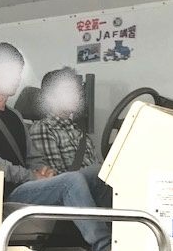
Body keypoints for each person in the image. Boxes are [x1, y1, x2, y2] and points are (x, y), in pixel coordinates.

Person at [0, 43, 111, 251]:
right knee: (71, 181)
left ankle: (124, 241)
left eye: (18, 72)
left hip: (28, 185)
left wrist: (43, 170)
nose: (17, 78)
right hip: (7, 193)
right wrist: (31, 176)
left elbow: (33, 158)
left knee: (102, 173)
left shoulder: (15, 116)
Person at [30, 66, 112, 206]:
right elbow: (56, 179)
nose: (76, 96)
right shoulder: (43, 128)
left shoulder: (80, 134)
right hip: (69, 194)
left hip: (94, 192)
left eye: (77, 91)